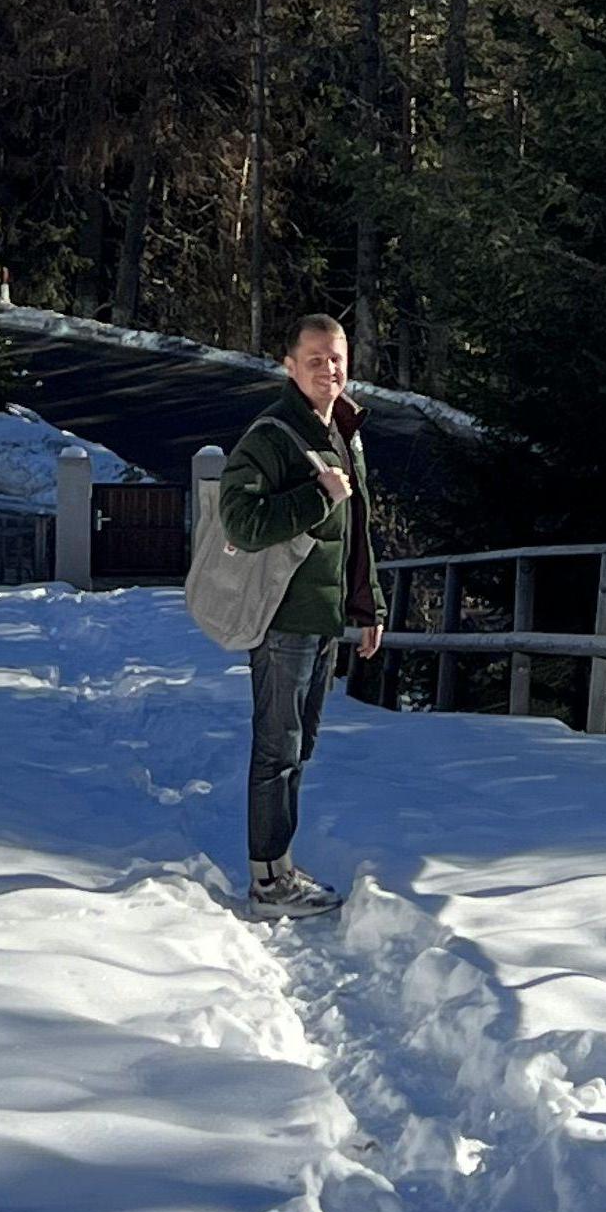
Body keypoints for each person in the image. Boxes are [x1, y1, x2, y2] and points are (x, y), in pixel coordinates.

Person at [217, 310, 382, 915]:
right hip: (283, 618)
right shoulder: (272, 434)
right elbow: (241, 519)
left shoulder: (342, 426)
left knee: (299, 745)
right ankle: (267, 882)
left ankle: (279, 863)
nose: (329, 370)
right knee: (277, 748)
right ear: (289, 366)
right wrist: (317, 495)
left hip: (323, 618)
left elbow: (358, 529)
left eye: (336, 358)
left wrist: (368, 606)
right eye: (315, 359)